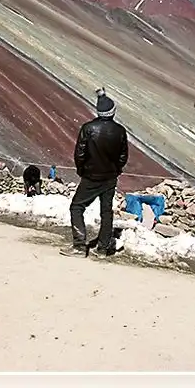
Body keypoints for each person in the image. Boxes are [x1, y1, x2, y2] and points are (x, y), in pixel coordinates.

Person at [62, 87, 129, 259]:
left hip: (91, 176)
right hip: (110, 177)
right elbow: (123, 156)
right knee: (106, 212)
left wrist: (82, 170)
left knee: (77, 207)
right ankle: (102, 249)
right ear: (113, 112)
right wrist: (116, 170)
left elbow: (80, 153)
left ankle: (79, 246)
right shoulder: (120, 131)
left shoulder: (88, 128)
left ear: (98, 111)